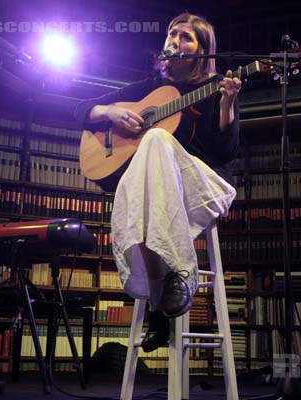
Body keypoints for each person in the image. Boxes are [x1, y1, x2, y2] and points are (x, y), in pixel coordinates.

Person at [74, 13, 241, 353]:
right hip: (161, 192)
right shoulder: (152, 89)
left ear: (203, 50)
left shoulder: (214, 88)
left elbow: (225, 152)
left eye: (186, 37)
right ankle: (168, 291)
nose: (174, 41)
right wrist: (109, 113)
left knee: (155, 143)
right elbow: (80, 108)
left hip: (202, 184)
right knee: (150, 168)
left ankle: (158, 300)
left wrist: (227, 104)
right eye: (172, 34)